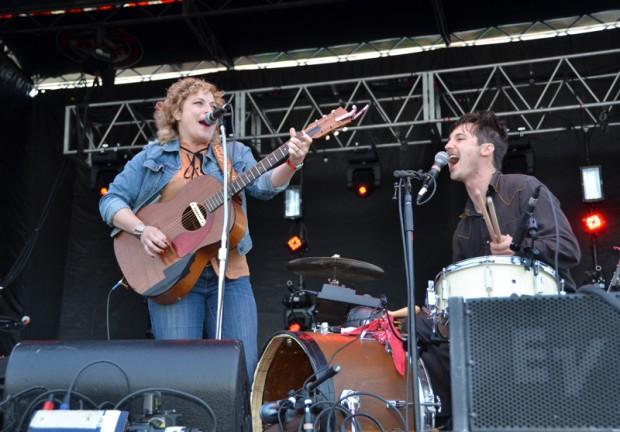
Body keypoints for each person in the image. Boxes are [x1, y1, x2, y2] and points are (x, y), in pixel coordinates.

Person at [99, 77, 312, 383]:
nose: (209, 110)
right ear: (176, 113)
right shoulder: (152, 156)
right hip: (173, 276)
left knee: (241, 370)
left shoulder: (232, 152)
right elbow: (110, 201)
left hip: (231, 275)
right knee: (178, 374)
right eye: (198, 103)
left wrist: (293, 161)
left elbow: (265, 187)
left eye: (214, 106)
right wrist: (141, 230)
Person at [399, 111, 581, 428]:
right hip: (483, 333)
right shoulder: (465, 226)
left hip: (542, 324)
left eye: (459, 138)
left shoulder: (524, 189)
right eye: (448, 139)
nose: (447, 145)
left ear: (486, 149)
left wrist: (520, 250)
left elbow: (569, 250)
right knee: (416, 334)